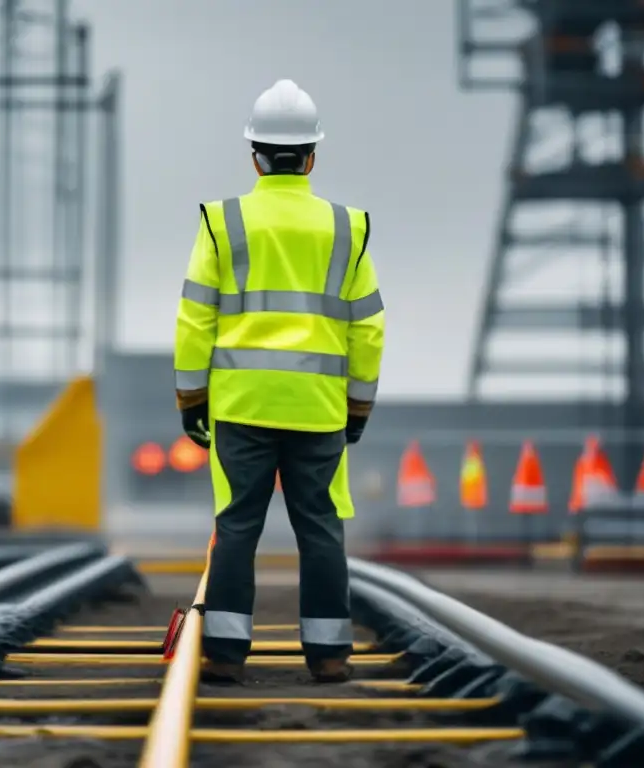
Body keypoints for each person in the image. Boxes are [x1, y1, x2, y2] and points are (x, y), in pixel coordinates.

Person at [172, 79, 385, 684]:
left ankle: (226, 654)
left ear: (255, 156)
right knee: (320, 527)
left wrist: (192, 399)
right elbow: (368, 328)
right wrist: (358, 407)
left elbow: (195, 317)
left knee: (237, 525)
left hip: (241, 404)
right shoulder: (349, 228)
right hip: (318, 410)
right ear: (312, 156)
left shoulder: (222, 223)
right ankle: (329, 655)